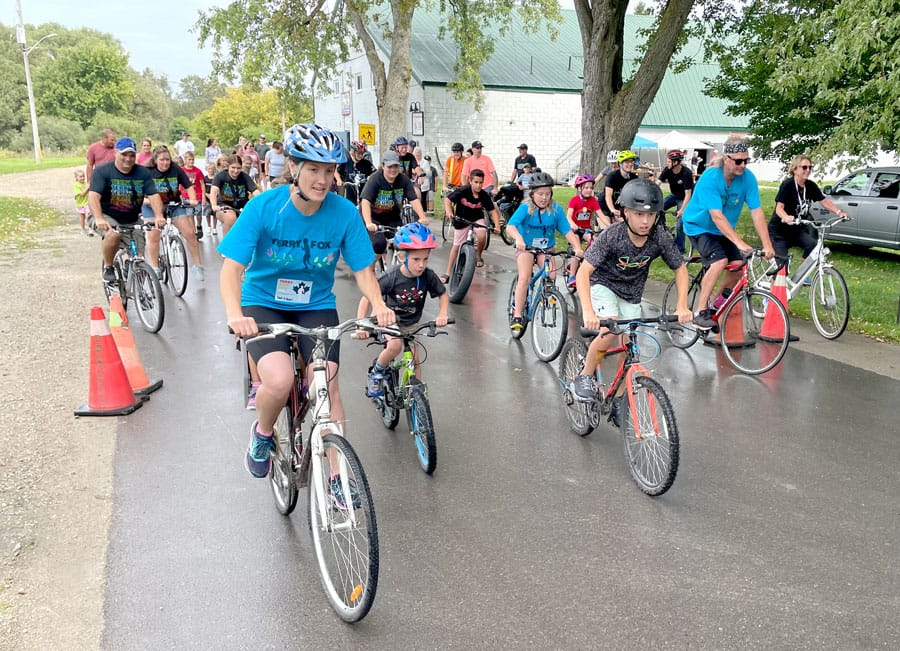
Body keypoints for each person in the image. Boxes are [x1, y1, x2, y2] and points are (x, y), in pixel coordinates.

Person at [219, 123, 396, 479]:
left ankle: (337, 482)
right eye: (314, 169)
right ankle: (263, 434)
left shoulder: (343, 212)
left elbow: (363, 270)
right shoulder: (264, 207)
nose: (323, 179)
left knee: (327, 383)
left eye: (329, 171)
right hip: (263, 302)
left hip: (315, 304)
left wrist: (378, 304)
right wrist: (235, 314)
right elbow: (231, 269)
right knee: (280, 381)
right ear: (294, 167)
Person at [569, 179, 692, 419]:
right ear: (625, 212)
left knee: (630, 344)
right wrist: (589, 312)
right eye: (638, 214)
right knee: (610, 331)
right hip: (603, 286)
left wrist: (682, 305)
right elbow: (583, 272)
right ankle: (584, 376)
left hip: (632, 293)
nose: (645, 221)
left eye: (651, 215)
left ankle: (617, 400)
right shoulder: (612, 235)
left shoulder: (658, 237)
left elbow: (680, 269)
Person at [681, 135, 775, 329]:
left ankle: (715, 306)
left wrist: (767, 245)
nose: (743, 165)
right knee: (719, 260)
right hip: (698, 226)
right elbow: (716, 216)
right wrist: (740, 243)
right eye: (738, 161)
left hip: (722, 230)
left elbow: (757, 213)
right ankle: (699, 311)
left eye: (746, 161)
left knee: (739, 263)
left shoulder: (748, 179)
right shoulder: (710, 178)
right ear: (726, 158)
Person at [355, 222, 449, 397]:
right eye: (416, 259)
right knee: (395, 346)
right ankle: (377, 372)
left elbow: (443, 294)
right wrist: (361, 324)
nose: (421, 265)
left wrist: (442, 313)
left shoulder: (428, 276)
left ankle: (416, 394)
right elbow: (366, 297)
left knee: (414, 360)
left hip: (411, 325)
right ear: (401, 257)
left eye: (425, 259)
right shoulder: (392, 277)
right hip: (389, 323)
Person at [505, 172, 584, 332]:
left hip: (546, 248)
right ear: (532, 194)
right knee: (525, 277)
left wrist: (577, 248)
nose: (544, 197)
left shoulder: (555, 210)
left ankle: (546, 297)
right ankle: (517, 314)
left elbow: (568, 231)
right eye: (540, 194)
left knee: (552, 276)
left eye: (548, 194)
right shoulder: (525, 208)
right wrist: (519, 239)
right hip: (526, 247)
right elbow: (510, 226)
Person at [87, 137, 165, 282]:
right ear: (116, 153)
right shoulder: (103, 171)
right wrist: (98, 218)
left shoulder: (142, 173)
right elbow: (93, 196)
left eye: (131, 155)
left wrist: (159, 215)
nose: (128, 159)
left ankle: (139, 289)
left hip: (132, 218)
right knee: (113, 234)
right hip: (106, 215)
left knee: (139, 258)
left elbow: (153, 195)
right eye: (124, 154)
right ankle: (109, 267)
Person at [769, 154, 848, 274]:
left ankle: (802, 273)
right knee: (782, 268)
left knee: (812, 245)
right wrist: (786, 217)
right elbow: (779, 208)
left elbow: (824, 201)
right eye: (804, 167)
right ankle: (775, 289)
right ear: (795, 169)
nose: (808, 170)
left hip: (796, 229)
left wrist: (839, 212)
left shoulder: (810, 186)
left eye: (810, 167)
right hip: (779, 231)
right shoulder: (788, 185)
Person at [142, 145, 203, 280]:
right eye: (162, 160)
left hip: (173, 205)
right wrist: (146, 201)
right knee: (154, 236)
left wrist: (193, 199)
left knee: (190, 233)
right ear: (155, 160)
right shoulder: (146, 171)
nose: (165, 163)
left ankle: (198, 266)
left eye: (168, 160)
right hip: (151, 207)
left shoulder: (176, 169)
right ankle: (155, 267)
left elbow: (189, 186)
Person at [359, 150, 429, 265]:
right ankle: (370, 270)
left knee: (403, 243)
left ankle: (398, 273)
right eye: (390, 166)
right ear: (383, 166)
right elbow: (365, 201)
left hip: (392, 217)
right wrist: (368, 223)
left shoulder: (403, 180)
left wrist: (422, 217)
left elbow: (414, 199)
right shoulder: (375, 179)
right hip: (374, 218)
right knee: (379, 245)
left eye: (396, 166)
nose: (393, 170)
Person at [441, 169, 502, 282]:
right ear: (470, 181)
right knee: (456, 246)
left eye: (481, 183)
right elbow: (447, 200)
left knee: (482, 235)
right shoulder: (463, 191)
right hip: (461, 219)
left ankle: (478, 255)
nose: (479, 185)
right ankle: (447, 272)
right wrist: (449, 212)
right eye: (476, 182)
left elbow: (492, 211)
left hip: (476, 218)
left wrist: (497, 226)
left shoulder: (483, 195)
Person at [565, 173, 606, 287]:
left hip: (586, 229)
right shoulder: (574, 200)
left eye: (591, 188)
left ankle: (589, 266)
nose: (589, 190)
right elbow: (568, 216)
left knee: (595, 242)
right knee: (577, 248)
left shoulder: (593, 201)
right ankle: (572, 276)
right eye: (586, 188)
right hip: (574, 230)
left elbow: (600, 215)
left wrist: (609, 227)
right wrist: (573, 224)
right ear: (579, 188)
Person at [209, 154, 260, 236]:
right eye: (233, 168)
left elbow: (256, 192)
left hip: (242, 207)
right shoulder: (220, 176)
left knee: (256, 222)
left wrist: (263, 202)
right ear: (228, 166)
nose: (236, 171)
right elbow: (213, 192)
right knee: (231, 218)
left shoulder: (245, 177)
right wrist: (214, 205)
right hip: (224, 206)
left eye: (238, 168)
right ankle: (226, 246)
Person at [657, 150, 695, 253]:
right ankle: (662, 228)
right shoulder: (667, 170)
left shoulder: (686, 173)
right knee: (658, 208)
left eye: (669, 161)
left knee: (679, 224)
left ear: (676, 162)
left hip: (685, 198)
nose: (667, 163)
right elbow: (658, 183)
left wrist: (682, 210)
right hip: (674, 195)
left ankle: (680, 249)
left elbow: (688, 194)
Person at [603, 149, 639, 223]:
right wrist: (612, 210)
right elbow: (608, 196)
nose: (630, 164)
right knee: (607, 229)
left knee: (627, 224)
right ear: (620, 164)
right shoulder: (612, 176)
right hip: (606, 206)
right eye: (626, 162)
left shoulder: (634, 178)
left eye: (631, 161)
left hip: (621, 208)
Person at [338, 140, 376, 205]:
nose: (361, 156)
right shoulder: (346, 162)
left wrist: (371, 177)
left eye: (362, 153)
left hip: (363, 196)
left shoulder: (366, 163)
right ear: (353, 152)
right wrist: (339, 180)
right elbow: (336, 171)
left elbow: (375, 173)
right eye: (359, 153)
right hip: (349, 196)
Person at [181, 150, 207, 241]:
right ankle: (194, 232)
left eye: (192, 160)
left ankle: (199, 225)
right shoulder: (182, 170)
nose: (191, 161)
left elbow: (202, 184)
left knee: (198, 214)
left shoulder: (198, 171)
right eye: (189, 160)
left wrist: (203, 197)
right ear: (185, 160)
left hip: (197, 196)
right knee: (189, 214)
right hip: (186, 195)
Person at [73, 169, 93, 236]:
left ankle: (90, 229)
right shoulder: (76, 185)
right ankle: (83, 229)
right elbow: (82, 194)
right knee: (82, 217)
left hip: (87, 203)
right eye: (80, 176)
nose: (82, 178)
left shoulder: (86, 184)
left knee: (88, 215)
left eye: (83, 176)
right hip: (80, 204)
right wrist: (88, 187)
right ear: (76, 178)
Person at [414, 146, 433, 212]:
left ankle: (424, 213)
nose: (417, 154)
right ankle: (416, 212)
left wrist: (422, 170)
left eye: (419, 152)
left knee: (423, 199)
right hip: (414, 182)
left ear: (421, 153)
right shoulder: (412, 161)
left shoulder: (425, 162)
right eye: (416, 152)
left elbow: (429, 173)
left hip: (423, 183)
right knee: (415, 198)